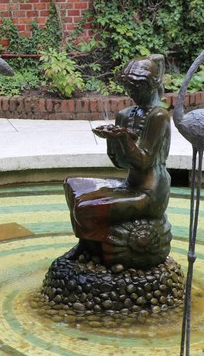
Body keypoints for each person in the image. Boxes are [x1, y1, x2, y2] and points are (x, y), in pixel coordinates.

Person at [63, 54, 172, 266]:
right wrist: (112, 141)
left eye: (137, 89)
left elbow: (144, 162)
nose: (132, 94)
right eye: (129, 88)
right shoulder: (126, 114)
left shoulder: (159, 116)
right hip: (130, 184)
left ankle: (100, 249)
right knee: (73, 184)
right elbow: (120, 164)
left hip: (150, 192)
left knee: (84, 207)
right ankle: (87, 244)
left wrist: (123, 138)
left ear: (151, 86)